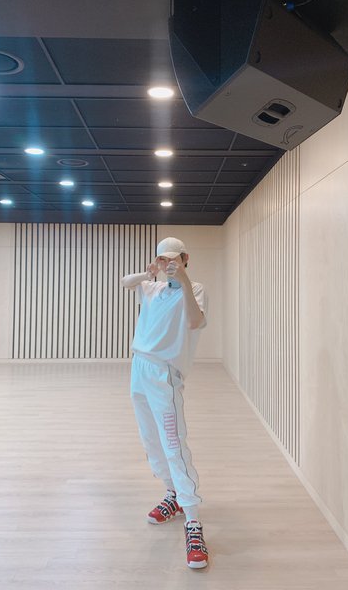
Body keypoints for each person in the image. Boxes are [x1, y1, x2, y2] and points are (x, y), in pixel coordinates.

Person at [121, 236, 209, 569]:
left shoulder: (194, 289)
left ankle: (193, 521)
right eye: (163, 259)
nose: (168, 264)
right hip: (139, 368)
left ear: (186, 258)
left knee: (173, 444)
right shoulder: (152, 288)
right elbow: (125, 282)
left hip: (165, 374)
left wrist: (182, 278)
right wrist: (149, 273)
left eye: (174, 259)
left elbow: (195, 322)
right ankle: (174, 494)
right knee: (151, 442)